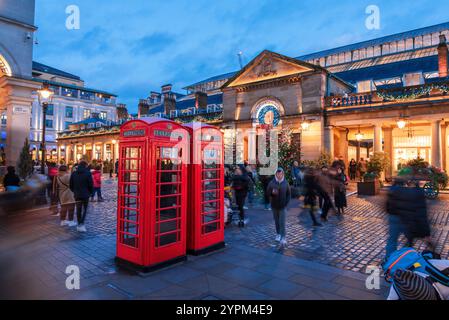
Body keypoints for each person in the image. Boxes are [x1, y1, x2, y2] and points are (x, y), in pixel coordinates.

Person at [385, 177, 434, 259]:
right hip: (405, 219)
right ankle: (407, 257)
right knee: (409, 240)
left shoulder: (393, 191)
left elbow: (387, 206)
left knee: (392, 240)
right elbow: (421, 212)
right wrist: (426, 232)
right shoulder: (417, 193)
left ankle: (389, 259)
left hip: (394, 217)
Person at [267, 168, 291, 247]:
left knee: (282, 222)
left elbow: (289, 194)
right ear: (276, 174)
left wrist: (286, 203)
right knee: (276, 221)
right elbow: (268, 193)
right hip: (274, 206)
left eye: (281, 174)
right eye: (278, 174)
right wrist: (272, 194)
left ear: (283, 174)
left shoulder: (286, 183)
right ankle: (278, 234)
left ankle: (283, 237)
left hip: (282, 206)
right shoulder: (272, 183)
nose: (279, 175)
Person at [69, 161, 93, 232]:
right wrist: (91, 192)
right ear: (85, 166)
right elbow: (90, 184)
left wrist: (74, 191)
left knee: (78, 210)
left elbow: (71, 185)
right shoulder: (88, 173)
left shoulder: (74, 173)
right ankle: (81, 223)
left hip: (77, 194)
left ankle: (79, 223)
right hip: (85, 195)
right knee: (85, 210)